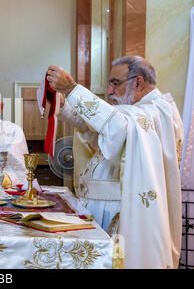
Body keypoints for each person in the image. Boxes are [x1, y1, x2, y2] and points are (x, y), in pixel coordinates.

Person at [38, 56, 184, 269]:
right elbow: (100, 130)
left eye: (115, 83)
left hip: (123, 216)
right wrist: (64, 107)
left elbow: (115, 124)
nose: (109, 91)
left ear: (138, 83)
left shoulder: (156, 111)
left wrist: (72, 89)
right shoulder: (136, 112)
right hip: (103, 211)